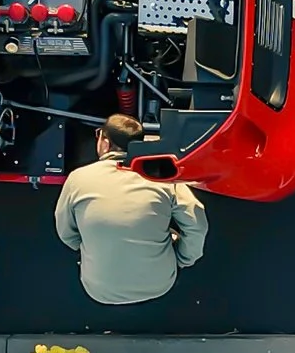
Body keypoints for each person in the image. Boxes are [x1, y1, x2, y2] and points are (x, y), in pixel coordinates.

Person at [56, 115, 210, 304]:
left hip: (99, 290)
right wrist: (183, 259)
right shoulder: (160, 177)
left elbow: (66, 233)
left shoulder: (77, 179)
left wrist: (95, 244)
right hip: (159, 285)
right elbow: (197, 226)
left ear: (105, 142)